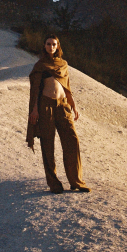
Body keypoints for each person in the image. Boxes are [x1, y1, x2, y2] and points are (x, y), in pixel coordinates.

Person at [26, 34, 91, 194]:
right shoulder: (40, 65)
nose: (51, 47)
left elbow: (67, 86)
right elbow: (35, 90)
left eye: (54, 44)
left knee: (72, 140)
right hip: (45, 105)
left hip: (63, 105)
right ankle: (54, 184)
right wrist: (34, 110)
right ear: (44, 46)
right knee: (47, 144)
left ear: (58, 46)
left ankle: (77, 181)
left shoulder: (63, 64)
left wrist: (73, 106)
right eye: (48, 44)